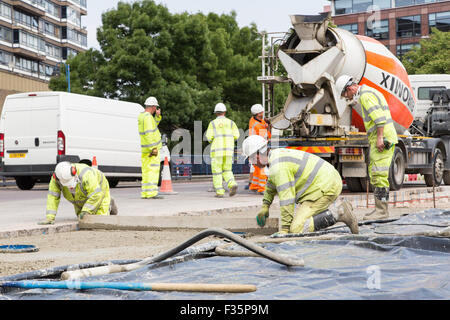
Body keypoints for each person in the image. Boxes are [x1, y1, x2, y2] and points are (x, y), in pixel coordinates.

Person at [242, 135, 359, 236]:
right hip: (324, 183)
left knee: (296, 229)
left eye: (251, 159)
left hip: (325, 186)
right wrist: (265, 206)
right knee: (300, 221)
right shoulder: (275, 157)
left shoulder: (278, 167)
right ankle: (333, 212)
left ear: (256, 156)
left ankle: (340, 212)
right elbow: (271, 184)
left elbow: (287, 199)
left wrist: (285, 229)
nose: (252, 164)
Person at [336, 75, 398, 220]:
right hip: (383, 138)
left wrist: (380, 138)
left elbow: (379, 119)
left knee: (379, 175)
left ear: (350, 88)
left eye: (346, 94)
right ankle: (379, 209)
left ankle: (381, 212)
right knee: (375, 173)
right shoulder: (370, 92)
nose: (347, 97)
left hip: (383, 140)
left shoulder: (365, 96)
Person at [38, 162, 118, 225]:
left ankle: (108, 202)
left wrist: (86, 211)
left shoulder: (86, 174)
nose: (70, 187)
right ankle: (88, 209)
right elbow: (53, 197)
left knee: (100, 220)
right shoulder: (56, 179)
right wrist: (50, 218)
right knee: (83, 219)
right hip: (80, 197)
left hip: (98, 189)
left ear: (74, 172)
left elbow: (96, 194)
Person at [206, 102, 240, 198]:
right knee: (227, 170)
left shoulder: (212, 123)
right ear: (224, 112)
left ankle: (220, 192)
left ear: (216, 113)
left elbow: (209, 138)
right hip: (229, 151)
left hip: (217, 152)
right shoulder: (231, 123)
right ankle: (232, 183)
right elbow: (237, 135)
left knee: (217, 172)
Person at [138, 96, 163, 199]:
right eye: (155, 108)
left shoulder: (143, 116)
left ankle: (145, 193)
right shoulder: (148, 117)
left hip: (145, 149)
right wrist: (153, 148)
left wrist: (157, 117)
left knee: (146, 172)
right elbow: (149, 133)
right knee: (153, 171)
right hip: (151, 149)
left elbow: (152, 127)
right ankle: (152, 193)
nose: (155, 109)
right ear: (153, 107)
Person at [248, 104, 272, 194]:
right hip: (259, 148)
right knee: (262, 168)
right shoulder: (258, 125)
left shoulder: (253, 120)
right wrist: (269, 127)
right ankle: (262, 188)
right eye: (262, 112)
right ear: (258, 113)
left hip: (253, 148)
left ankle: (254, 186)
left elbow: (262, 124)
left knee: (257, 168)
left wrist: (265, 124)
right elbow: (267, 137)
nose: (263, 113)